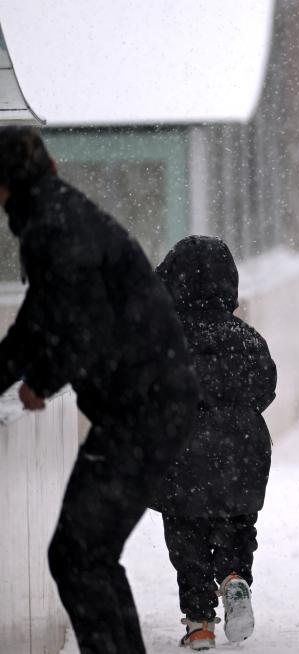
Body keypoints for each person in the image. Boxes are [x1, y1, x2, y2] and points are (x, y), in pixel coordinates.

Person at [0, 126, 198, 653]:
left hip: (144, 408)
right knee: (87, 553)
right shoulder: (60, 216)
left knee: (78, 553)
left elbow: (73, 321)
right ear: (52, 169)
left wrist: (40, 379)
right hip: (146, 403)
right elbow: (44, 316)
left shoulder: (53, 226)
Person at [150, 236, 277, 650]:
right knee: (236, 525)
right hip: (241, 449)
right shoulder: (247, 337)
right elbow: (266, 387)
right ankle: (235, 577)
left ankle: (200, 624)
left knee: (186, 537)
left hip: (180, 450)